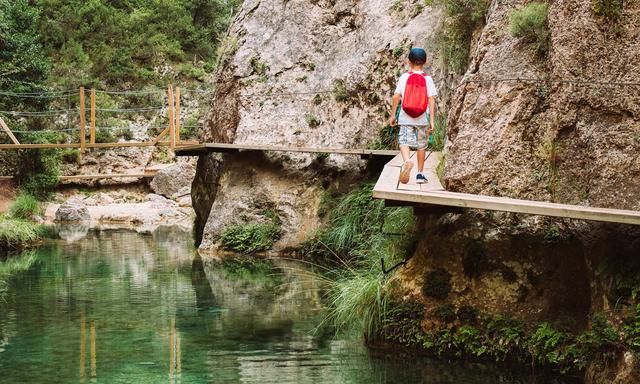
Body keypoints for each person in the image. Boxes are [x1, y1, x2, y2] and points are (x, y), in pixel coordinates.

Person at [389, 47, 438, 184]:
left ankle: (407, 161)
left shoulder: (404, 77)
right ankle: (420, 174)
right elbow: (431, 99)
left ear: (409, 62)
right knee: (421, 145)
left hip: (405, 117)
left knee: (404, 141)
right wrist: (432, 121)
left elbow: (396, 96)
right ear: (425, 62)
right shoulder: (427, 79)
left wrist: (392, 115)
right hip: (422, 118)